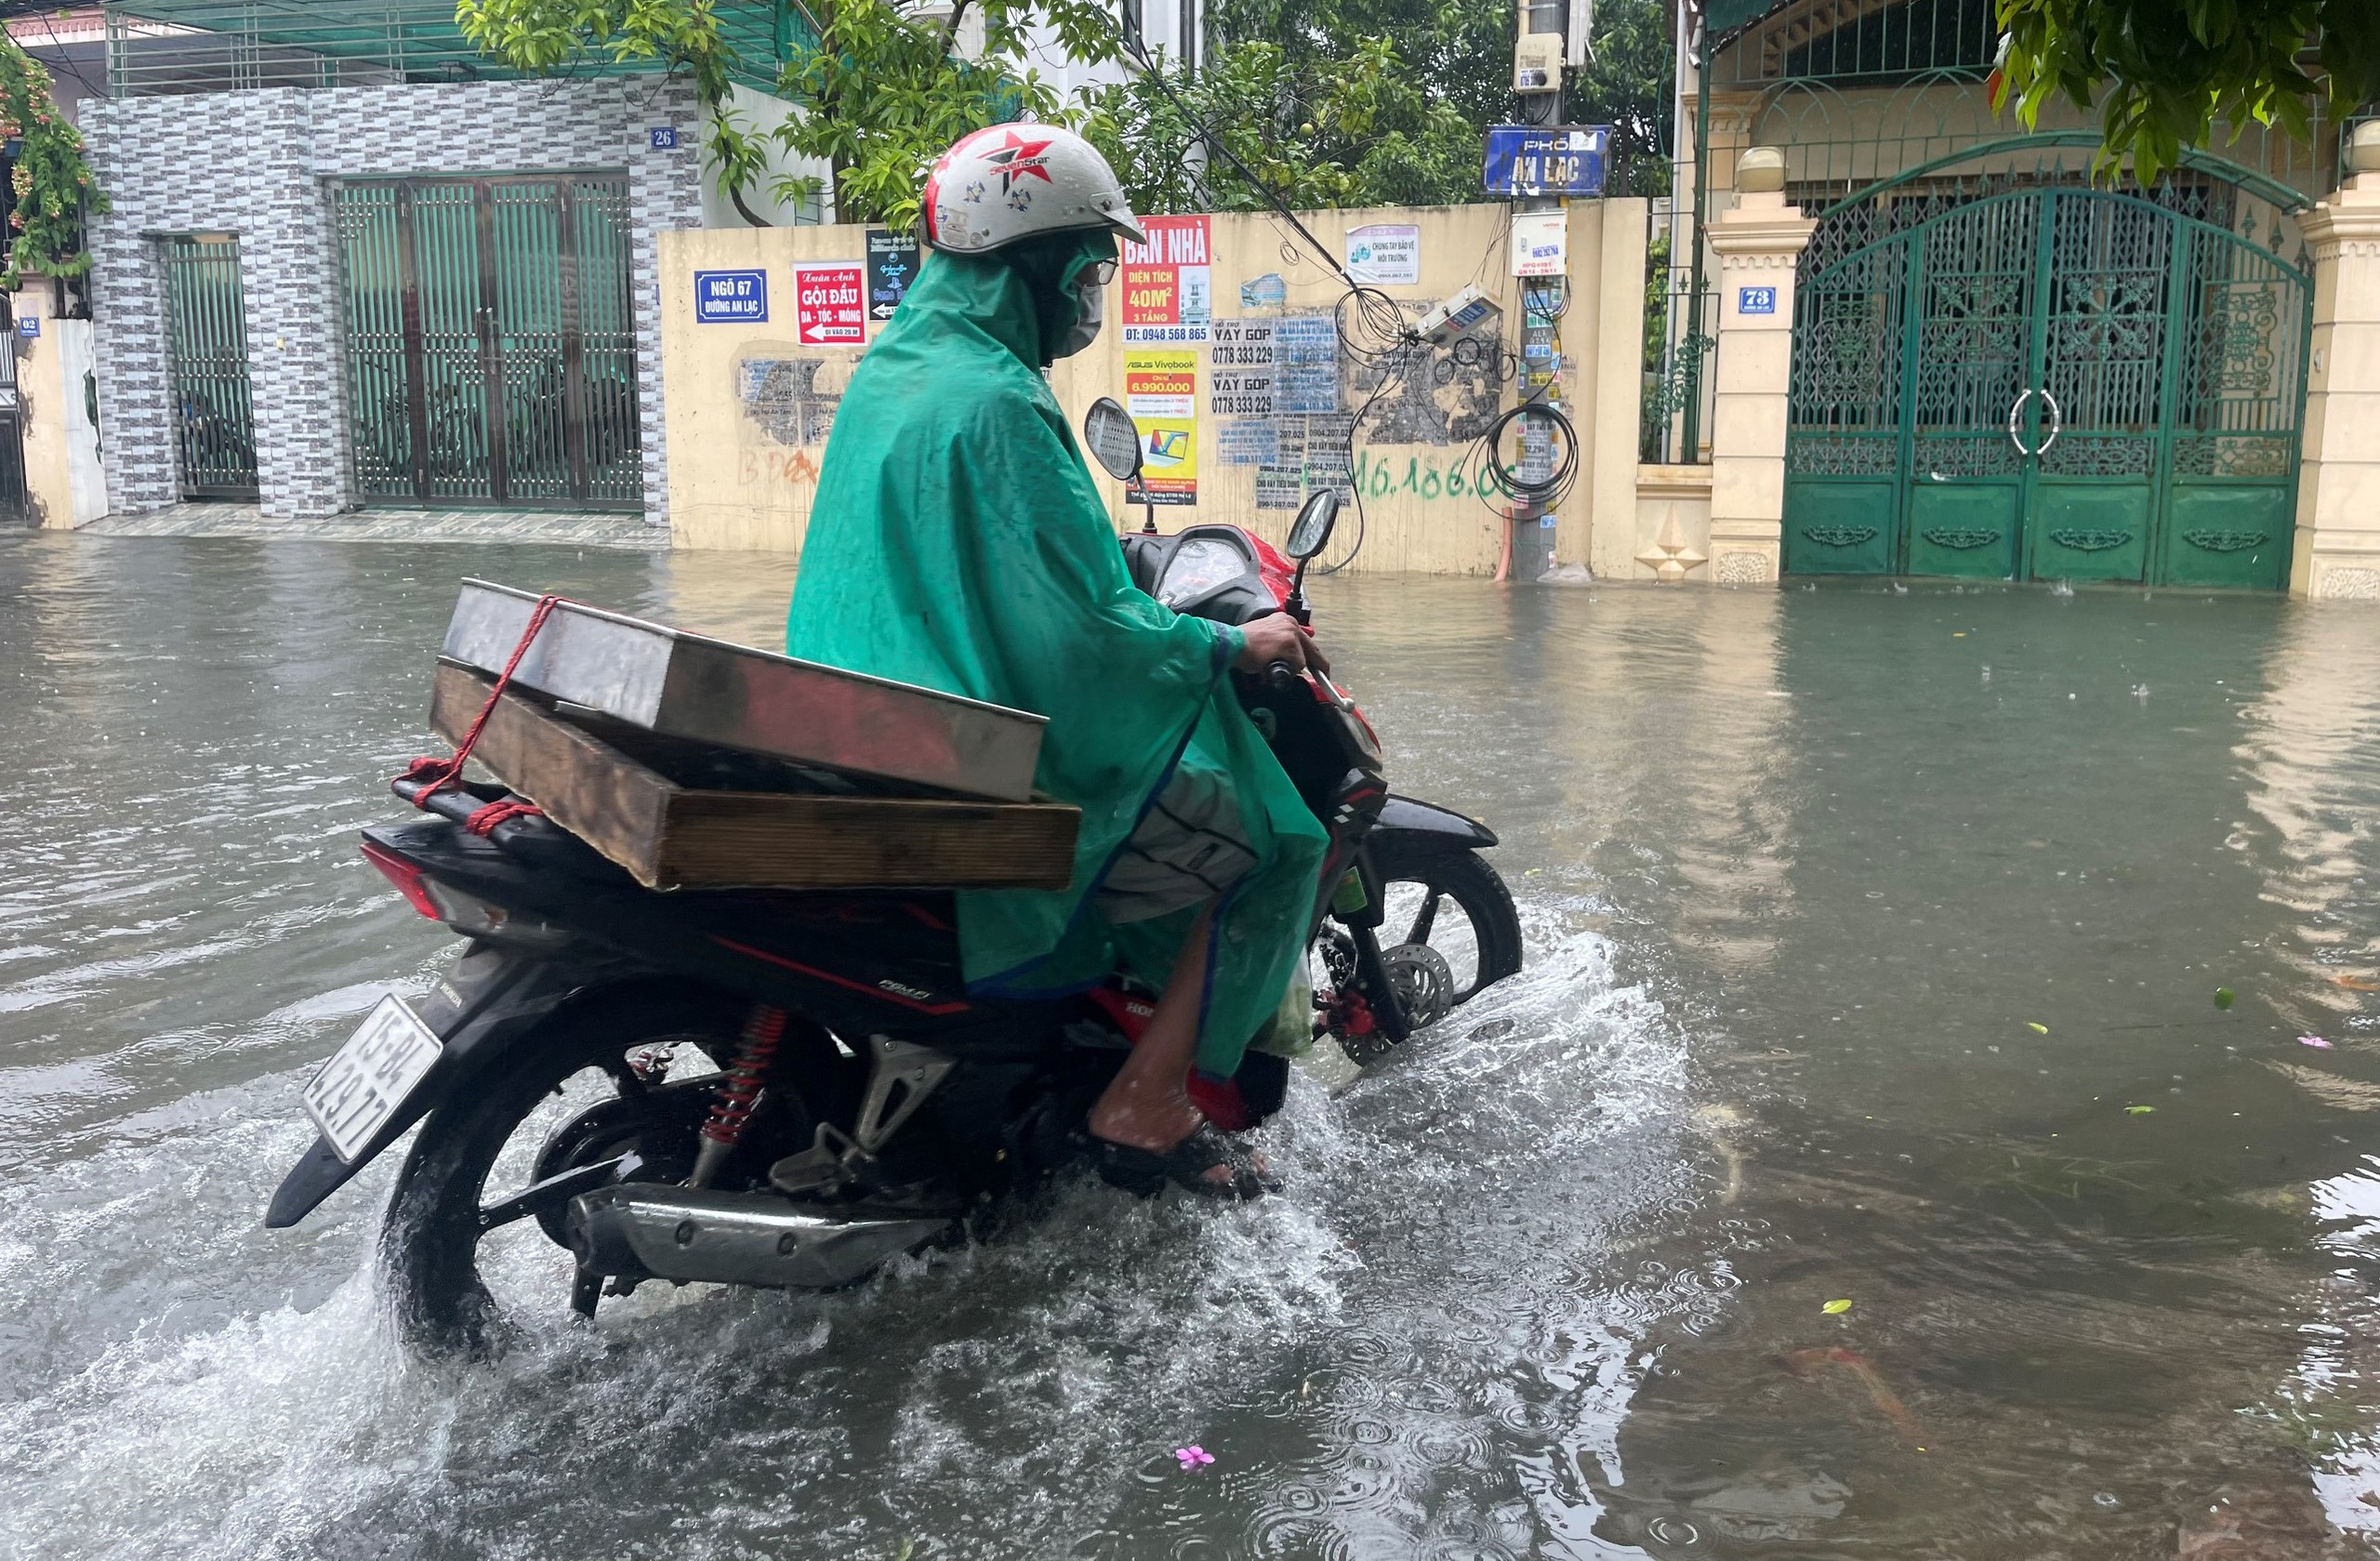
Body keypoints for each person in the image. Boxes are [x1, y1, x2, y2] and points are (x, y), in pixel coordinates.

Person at [783, 124, 1329, 1199]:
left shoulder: (896, 371)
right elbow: (1084, 637)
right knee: (1279, 844)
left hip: (870, 720)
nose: (1090, 297)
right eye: (1085, 269)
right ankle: (1145, 1099)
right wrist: (1229, 639)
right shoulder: (1000, 402)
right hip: (971, 747)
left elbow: (978, 562)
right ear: (1030, 264)